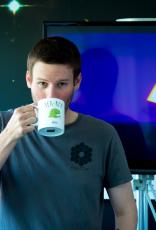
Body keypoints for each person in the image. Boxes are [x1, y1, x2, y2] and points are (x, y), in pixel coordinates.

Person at [0, 36, 137, 230]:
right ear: (28, 80)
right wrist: (9, 136)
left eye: (61, 84)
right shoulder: (4, 124)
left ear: (77, 81)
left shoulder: (103, 134)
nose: (51, 95)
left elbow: (125, 210)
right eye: (42, 84)